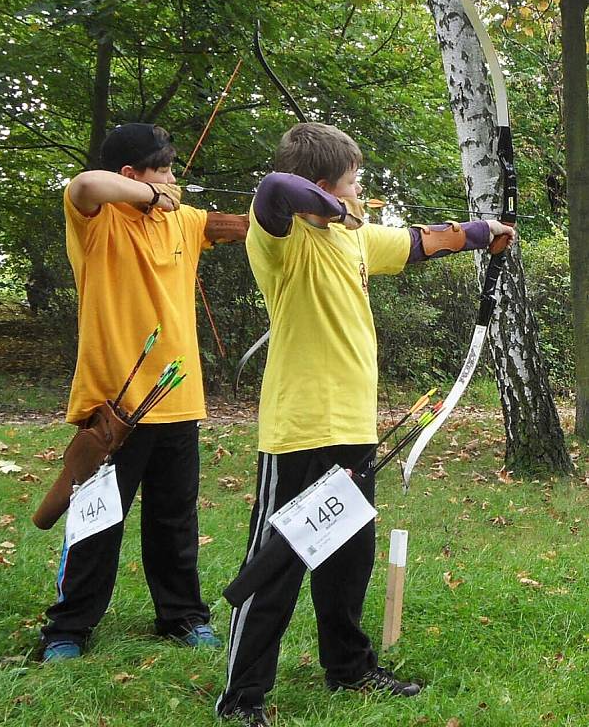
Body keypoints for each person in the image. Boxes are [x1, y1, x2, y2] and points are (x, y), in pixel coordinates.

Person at [216, 122, 516, 725]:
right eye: (354, 180)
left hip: (354, 427)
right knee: (276, 565)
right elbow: (275, 188)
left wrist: (482, 233)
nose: (362, 191)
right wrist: (330, 206)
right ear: (325, 186)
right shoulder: (280, 240)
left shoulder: (354, 240)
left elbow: (416, 243)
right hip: (299, 427)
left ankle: (349, 670)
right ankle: (241, 695)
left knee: (347, 558)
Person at [40, 123, 248, 661]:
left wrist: (304, 206)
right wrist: (152, 195)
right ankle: (68, 627)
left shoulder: (186, 220)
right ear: (132, 174)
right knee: (97, 519)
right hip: (114, 405)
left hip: (178, 398)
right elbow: (88, 184)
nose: (174, 180)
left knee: (174, 518)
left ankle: (181, 616)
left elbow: (247, 227)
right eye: (165, 169)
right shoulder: (96, 219)